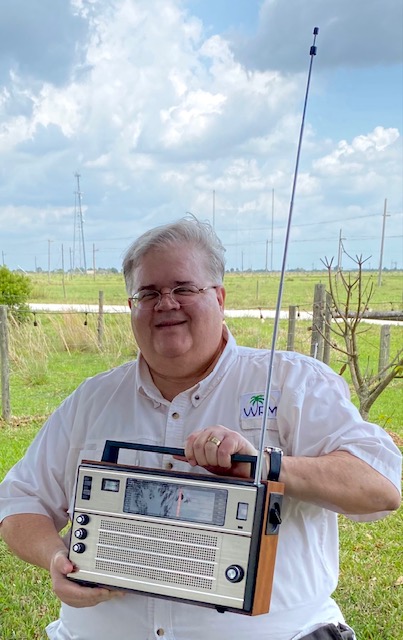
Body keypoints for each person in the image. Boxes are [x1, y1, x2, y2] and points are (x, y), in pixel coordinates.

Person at [0, 216, 401, 640]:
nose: (166, 303)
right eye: (148, 293)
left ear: (220, 298)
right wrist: (56, 557)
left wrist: (264, 465)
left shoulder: (293, 383)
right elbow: (19, 502)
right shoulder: (93, 398)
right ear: (132, 306)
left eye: (184, 288)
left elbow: (380, 488)